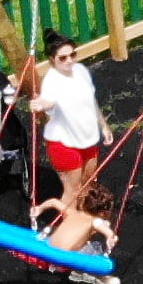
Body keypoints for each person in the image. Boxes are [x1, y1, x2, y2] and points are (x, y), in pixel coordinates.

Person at [29, 35, 107, 217]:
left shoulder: (80, 71)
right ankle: (68, 229)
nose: (69, 61)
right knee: (73, 190)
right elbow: (49, 101)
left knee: (89, 183)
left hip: (87, 138)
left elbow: (91, 100)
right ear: (52, 60)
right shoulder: (52, 81)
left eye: (72, 55)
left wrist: (103, 125)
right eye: (63, 58)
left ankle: (84, 222)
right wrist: (40, 104)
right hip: (63, 143)